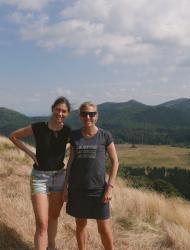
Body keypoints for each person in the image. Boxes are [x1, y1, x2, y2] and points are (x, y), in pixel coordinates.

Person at [9, 96, 71, 250]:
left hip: (59, 177)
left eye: (64, 111)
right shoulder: (39, 127)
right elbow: (14, 136)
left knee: (54, 217)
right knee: (42, 222)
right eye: (58, 109)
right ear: (52, 109)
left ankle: (51, 246)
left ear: (68, 114)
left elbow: (78, 145)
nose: (60, 113)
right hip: (39, 178)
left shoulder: (68, 131)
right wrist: (31, 154)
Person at [64, 101, 119, 250]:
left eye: (91, 113)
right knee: (80, 225)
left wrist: (110, 188)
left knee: (104, 228)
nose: (88, 117)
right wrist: (65, 187)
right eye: (84, 114)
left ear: (97, 116)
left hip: (99, 190)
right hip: (77, 189)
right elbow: (70, 162)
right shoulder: (74, 136)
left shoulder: (105, 135)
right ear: (80, 116)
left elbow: (115, 162)